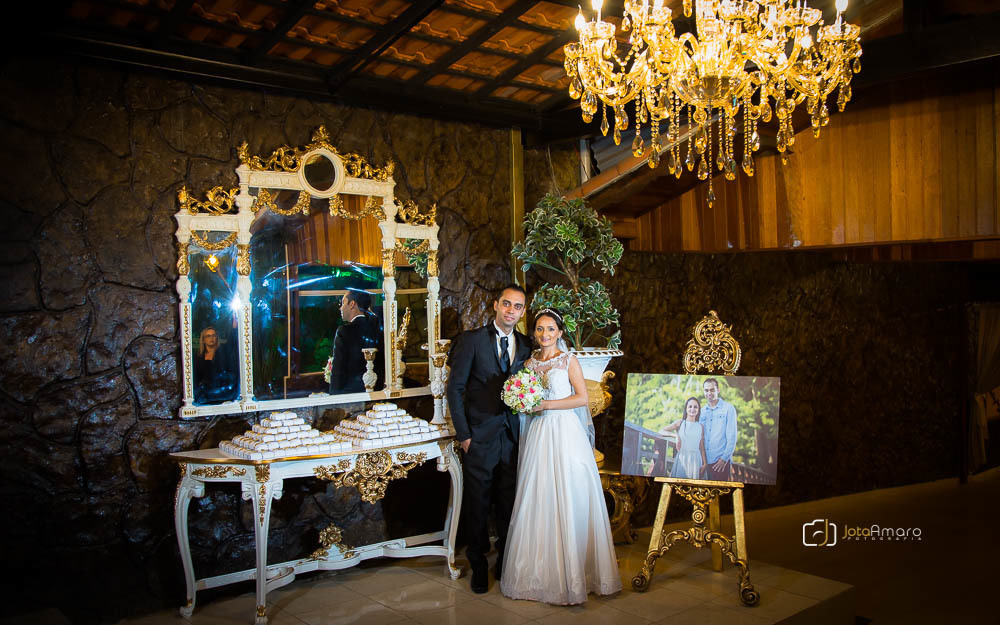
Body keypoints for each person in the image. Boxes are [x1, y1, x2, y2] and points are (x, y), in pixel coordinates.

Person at [500, 309, 621, 605]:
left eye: (551, 329)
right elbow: (525, 397)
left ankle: (576, 575)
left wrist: (546, 405)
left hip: (565, 432)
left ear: (560, 333)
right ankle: (538, 575)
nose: (545, 334)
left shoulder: (568, 360)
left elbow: (582, 397)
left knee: (568, 492)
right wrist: (523, 402)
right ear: (534, 333)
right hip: (539, 434)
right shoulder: (529, 363)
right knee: (539, 494)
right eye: (540, 329)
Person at [446, 284, 531, 594]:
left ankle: (506, 560)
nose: (511, 310)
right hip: (479, 437)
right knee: (478, 504)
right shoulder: (471, 341)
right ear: (496, 305)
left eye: (517, 306)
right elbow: (455, 389)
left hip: (513, 437)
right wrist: (464, 435)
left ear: (523, 312)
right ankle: (478, 563)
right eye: (506, 304)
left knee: (508, 502)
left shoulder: (526, 345)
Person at [329, 289, 382, 393]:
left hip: (350, 394)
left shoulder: (344, 331)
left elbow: (338, 372)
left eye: (343, 303)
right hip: (377, 392)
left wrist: (333, 396)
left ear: (352, 304)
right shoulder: (378, 330)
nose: (340, 308)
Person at [659, 396, 707, 480]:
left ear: (699, 409)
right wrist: (676, 436)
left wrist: (705, 463)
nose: (692, 409)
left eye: (695, 407)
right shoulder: (680, 423)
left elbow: (701, 446)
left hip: (696, 460)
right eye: (690, 406)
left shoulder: (700, 426)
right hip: (682, 459)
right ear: (686, 409)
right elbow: (661, 431)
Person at [701, 377, 737, 481]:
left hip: (720, 462)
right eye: (706, 390)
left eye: (712, 390)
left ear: (718, 390)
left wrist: (724, 459)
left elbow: (732, 437)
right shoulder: (702, 411)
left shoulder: (728, 408)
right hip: (704, 462)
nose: (709, 393)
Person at [193, 325, 237, 404]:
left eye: (213, 335)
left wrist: (234, 328)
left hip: (224, 394)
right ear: (203, 340)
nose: (211, 338)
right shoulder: (198, 357)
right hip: (206, 396)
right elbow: (196, 378)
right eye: (208, 336)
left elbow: (231, 342)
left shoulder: (223, 352)